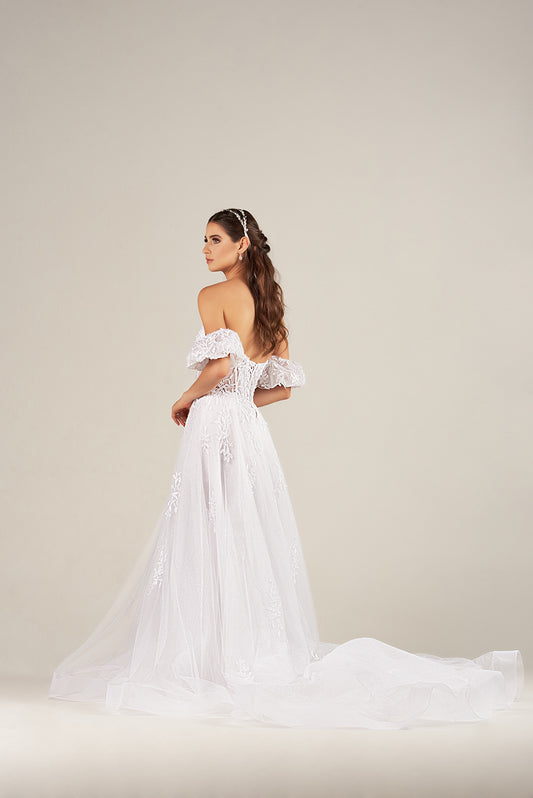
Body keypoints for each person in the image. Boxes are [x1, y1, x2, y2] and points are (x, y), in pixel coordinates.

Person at [48, 208, 524, 729]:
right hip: (248, 428)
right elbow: (281, 390)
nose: (205, 249)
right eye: (204, 240)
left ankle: (209, 661)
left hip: (214, 424)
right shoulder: (270, 305)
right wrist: (238, 402)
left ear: (242, 245)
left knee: (206, 528)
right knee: (241, 530)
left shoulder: (212, 296)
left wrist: (185, 399)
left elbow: (220, 366)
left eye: (214, 239)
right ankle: (240, 655)